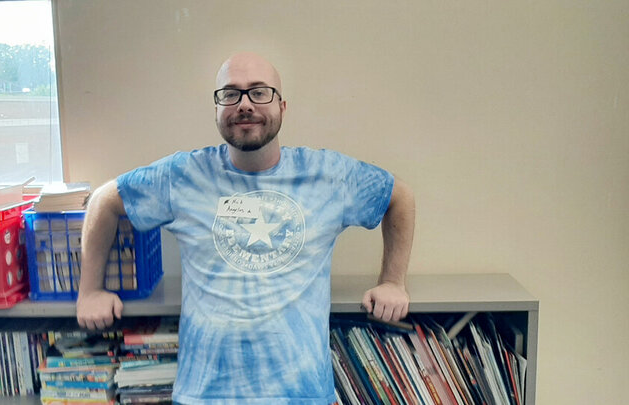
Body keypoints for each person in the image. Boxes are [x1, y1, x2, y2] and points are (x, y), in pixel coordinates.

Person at [77, 52, 415, 404]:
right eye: (230, 93)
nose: (244, 104)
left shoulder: (330, 175)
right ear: (217, 108)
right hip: (204, 394)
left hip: (302, 394)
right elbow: (105, 200)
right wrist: (89, 292)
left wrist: (393, 281)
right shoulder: (183, 175)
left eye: (259, 92)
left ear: (282, 106)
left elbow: (399, 197)